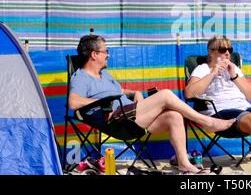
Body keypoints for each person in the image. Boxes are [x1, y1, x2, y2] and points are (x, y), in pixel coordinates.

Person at [69, 35, 235, 174]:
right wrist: (103, 102)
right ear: (93, 54)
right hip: (117, 120)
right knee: (165, 95)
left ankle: (184, 163)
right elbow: (73, 102)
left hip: (132, 116)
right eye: (106, 51)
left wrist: (136, 94)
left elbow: (121, 90)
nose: (108, 55)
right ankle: (208, 122)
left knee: (174, 116)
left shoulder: (104, 75)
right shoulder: (81, 76)